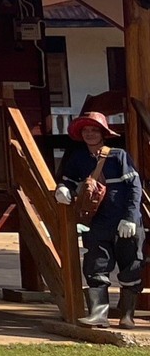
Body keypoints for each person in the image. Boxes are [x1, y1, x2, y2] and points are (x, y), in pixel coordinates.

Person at [56, 113, 142, 329]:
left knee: (130, 266)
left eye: (94, 130)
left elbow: (135, 188)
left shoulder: (119, 156)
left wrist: (130, 218)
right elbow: (67, 181)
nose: (90, 134)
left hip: (124, 223)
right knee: (96, 266)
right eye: (86, 130)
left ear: (103, 133)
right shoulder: (78, 158)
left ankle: (127, 315)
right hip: (97, 223)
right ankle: (98, 314)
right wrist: (62, 189)